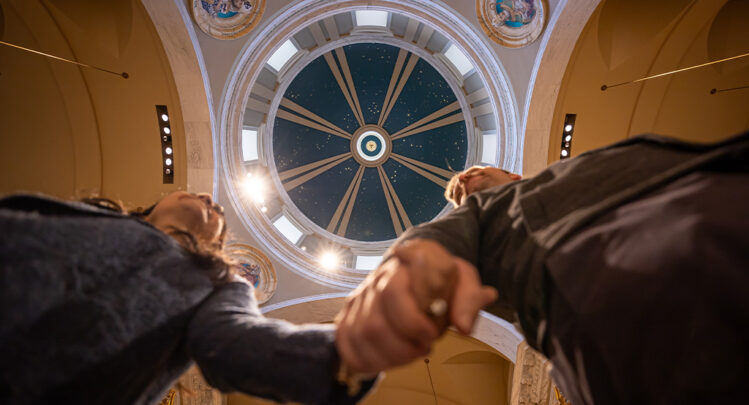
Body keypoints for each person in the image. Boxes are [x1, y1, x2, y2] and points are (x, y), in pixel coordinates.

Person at [336, 132, 749, 404]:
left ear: (515, 174)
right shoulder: (480, 217)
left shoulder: (566, 173)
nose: (465, 178)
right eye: (460, 188)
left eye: (476, 171)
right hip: (608, 294)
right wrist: (407, 267)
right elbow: (433, 240)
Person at [0, 191, 395, 404]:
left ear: (215, 243)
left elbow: (235, 343)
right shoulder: (97, 217)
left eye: (218, 212)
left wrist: (348, 354)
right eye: (197, 194)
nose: (212, 200)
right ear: (153, 206)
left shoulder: (217, 283)